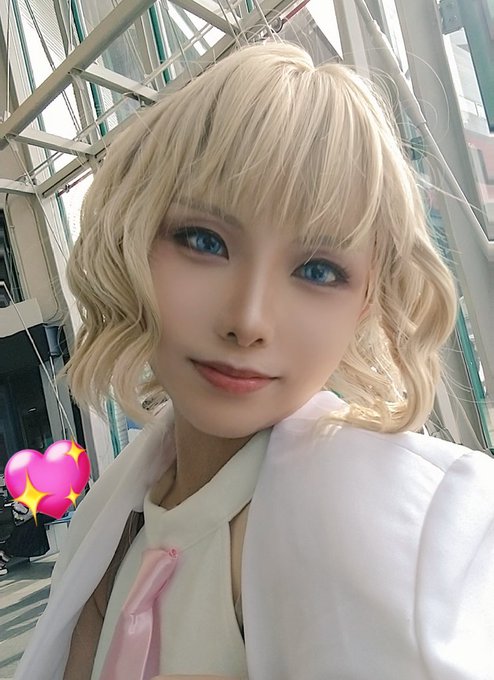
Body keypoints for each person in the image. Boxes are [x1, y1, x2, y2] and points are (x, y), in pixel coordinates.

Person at [14, 41, 494, 680]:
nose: (248, 321)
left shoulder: (394, 536)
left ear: (367, 302)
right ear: (134, 238)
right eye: (203, 240)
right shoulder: (120, 514)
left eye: (318, 270)